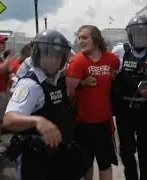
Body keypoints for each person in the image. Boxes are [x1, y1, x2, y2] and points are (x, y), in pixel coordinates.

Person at [3, 29, 77, 180]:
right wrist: (38, 121)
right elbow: (9, 120)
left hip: (54, 158)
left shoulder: (54, 78)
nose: (55, 61)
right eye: (50, 55)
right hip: (35, 160)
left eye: (59, 57)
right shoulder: (30, 84)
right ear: (39, 55)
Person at [66, 25, 119, 180]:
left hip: (104, 122)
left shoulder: (112, 59)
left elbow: (115, 76)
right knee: (85, 164)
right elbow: (69, 95)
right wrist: (82, 83)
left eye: (84, 37)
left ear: (95, 38)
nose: (80, 41)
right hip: (82, 123)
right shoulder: (77, 62)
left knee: (105, 163)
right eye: (79, 38)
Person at [111, 15, 147, 180]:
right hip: (125, 109)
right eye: (136, 32)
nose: (139, 36)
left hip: (145, 109)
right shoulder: (120, 51)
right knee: (126, 149)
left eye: (143, 32)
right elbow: (107, 71)